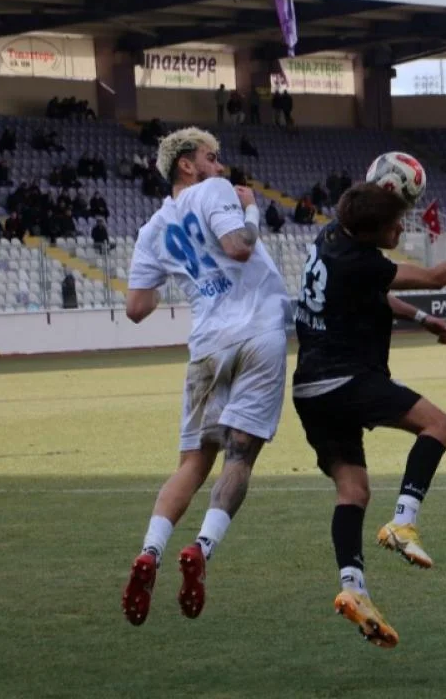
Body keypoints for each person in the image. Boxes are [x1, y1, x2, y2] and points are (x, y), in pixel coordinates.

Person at [290, 182, 446, 648]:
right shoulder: (363, 261)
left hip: (308, 387)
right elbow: (436, 278)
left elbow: (375, 294)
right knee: (438, 424)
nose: (401, 228)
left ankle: (354, 589)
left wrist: (420, 319)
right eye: (394, 224)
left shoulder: (330, 237)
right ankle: (403, 521)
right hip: (346, 379)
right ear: (372, 232)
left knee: (353, 490)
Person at [120, 127, 291, 627]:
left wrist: (180, 274)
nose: (220, 166)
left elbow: (136, 307)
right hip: (258, 332)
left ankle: (150, 550)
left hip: (207, 345)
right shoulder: (215, 191)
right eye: (211, 157)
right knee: (239, 455)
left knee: (192, 463)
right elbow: (239, 247)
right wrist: (251, 209)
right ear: (187, 165)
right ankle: (201, 547)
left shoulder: (152, 229)